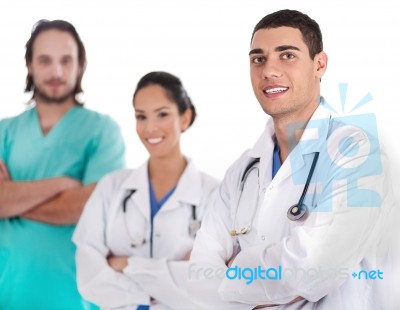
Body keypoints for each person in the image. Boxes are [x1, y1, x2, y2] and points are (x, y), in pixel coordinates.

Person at [112, 9, 397, 309]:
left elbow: (313, 268)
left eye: (287, 55)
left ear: (319, 65)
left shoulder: (358, 154)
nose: (269, 71)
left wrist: (235, 266)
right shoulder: (241, 173)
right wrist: (268, 277)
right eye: (258, 59)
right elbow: (200, 274)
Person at [0, 20, 125, 310]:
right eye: (45, 60)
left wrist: (11, 199)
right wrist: (61, 185)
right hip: (8, 296)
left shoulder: (101, 130)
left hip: (75, 299)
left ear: (80, 65)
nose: (56, 71)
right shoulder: (4, 131)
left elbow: (90, 207)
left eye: (66, 60)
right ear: (29, 65)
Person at [72, 71, 219, 309]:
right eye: (141, 116)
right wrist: (161, 287)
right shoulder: (111, 187)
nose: (150, 127)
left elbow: (212, 285)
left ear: (184, 117)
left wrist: (129, 266)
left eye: (162, 114)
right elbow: (89, 274)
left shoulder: (214, 194)